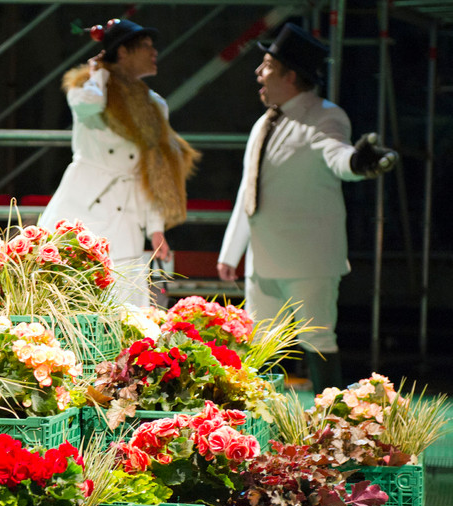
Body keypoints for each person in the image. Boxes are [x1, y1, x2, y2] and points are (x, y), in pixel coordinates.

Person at [216, 22, 397, 393]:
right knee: (258, 342)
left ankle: (330, 418)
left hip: (308, 258)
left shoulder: (324, 115)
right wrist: (231, 251)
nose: (259, 72)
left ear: (290, 75)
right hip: (263, 257)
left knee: (317, 337)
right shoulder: (264, 122)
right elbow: (249, 189)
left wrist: (358, 163)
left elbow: (337, 155)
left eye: (268, 65)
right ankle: (255, 420)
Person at [39, 18, 200, 308]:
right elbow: (89, 105)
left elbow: (152, 168)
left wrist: (156, 228)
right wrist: (98, 72)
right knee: (69, 295)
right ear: (123, 52)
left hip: (127, 212)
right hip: (83, 205)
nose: (154, 52)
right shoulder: (87, 88)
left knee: (124, 300)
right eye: (145, 46)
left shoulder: (155, 104)